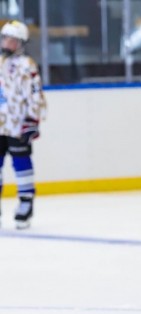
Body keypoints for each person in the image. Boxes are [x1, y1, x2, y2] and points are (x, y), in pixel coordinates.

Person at [0, 20, 46, 229]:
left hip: (17, 124)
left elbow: (35, 94)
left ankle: (26, 202)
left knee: (21, 163)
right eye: (4, 38)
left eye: (11, 39)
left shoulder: (27, 65)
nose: (6, 42)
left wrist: (32, 120)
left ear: (20, 43)